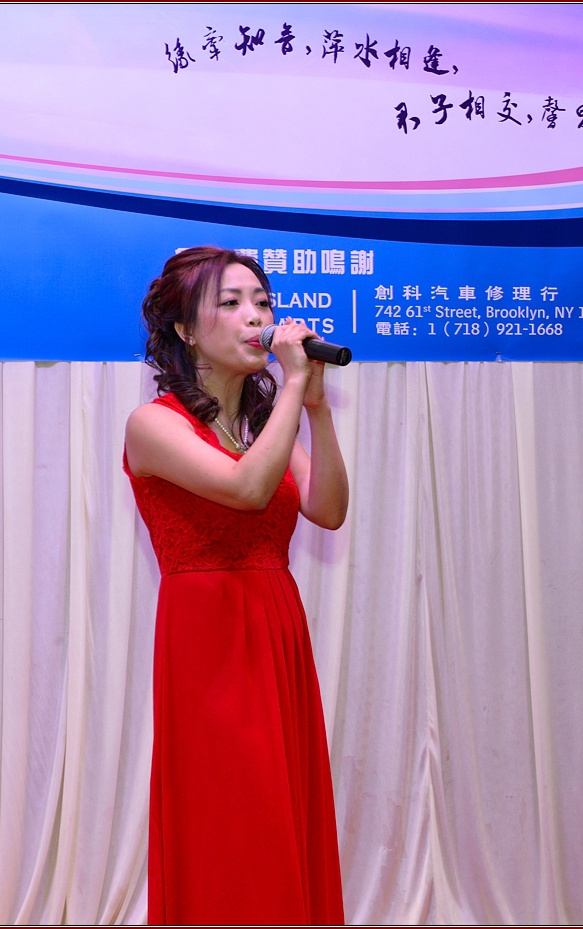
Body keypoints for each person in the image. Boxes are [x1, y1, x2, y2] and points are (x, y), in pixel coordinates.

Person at [123, 246, 348, 925]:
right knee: (232, 815)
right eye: (231, 303)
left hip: (276, 628)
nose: (256, 317)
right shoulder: (153, 424)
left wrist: (316, 407)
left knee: (280, 808)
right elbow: (246, 491)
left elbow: (329, 509)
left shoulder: (257, 429)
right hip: (209, 641)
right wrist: (291, 385)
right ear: (185, 330)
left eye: (262, 302)